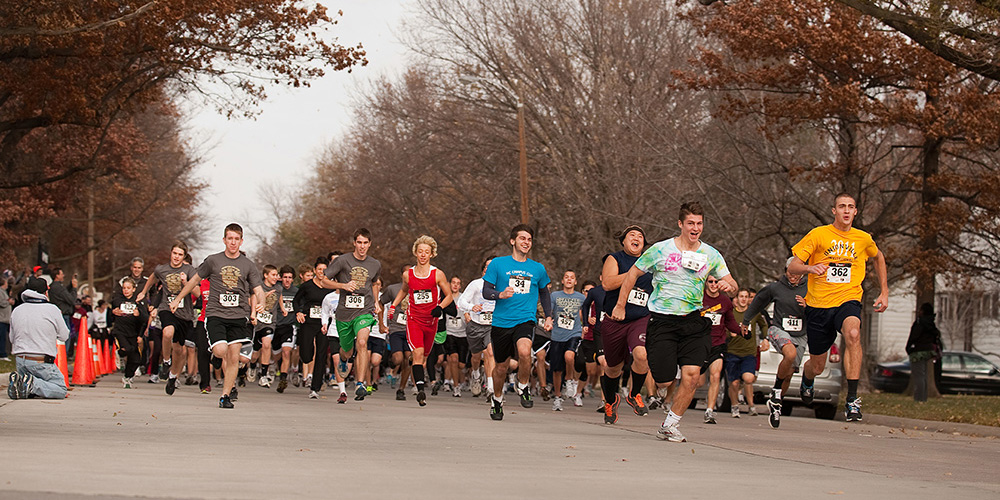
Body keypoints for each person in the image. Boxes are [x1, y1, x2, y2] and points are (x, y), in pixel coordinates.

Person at [612, 203, 737, 442]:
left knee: (691, 376)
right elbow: (633, 274)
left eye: (699, 223)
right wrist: (620, 305)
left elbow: (733, 283)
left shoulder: (710, 254)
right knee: (665, 379)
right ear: (680, 224)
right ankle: (657, 387)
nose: (695, 228)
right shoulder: (660, 250)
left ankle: (670, 424)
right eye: (691, 223)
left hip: (693, 321)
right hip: (662, 322)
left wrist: (728, 285)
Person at [788, 193, 888, 422]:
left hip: (848, 299)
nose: (846, 210)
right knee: (818, 365)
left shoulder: (863, 238)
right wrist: (810, 269)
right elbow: (794, 265)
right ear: (834, 211)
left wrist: (884, 291)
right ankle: (808, 377)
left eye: (850, 207)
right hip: (819, 305)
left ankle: (852, 400)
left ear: (855, 212)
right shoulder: (819, 234)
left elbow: (878, 256)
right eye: (841, 206)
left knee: (853, 334)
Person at [169, 223, 265, 409]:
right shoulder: (213, 261)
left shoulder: (248, 265)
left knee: (234, 356)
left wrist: (260, 302)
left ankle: (225, 396)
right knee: (221, 351)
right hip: (215, 314)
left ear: (241, 241)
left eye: (236, 239)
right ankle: (217, 357)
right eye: (230, 238)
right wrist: (178, 298)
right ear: (224, 240)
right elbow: (194, 281)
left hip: (238, 315)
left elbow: (258, 289)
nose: (233, 242)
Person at [481, 224, 553, 421]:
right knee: (501, 367)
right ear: (513, 241)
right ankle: (497, 399)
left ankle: (523, 385)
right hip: (501, 322)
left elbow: (545, 294)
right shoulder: (498, 264)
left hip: (525, 319)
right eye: (522, 238)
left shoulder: (537, 268)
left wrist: (548, 316)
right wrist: (500, 294)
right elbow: (486, 291)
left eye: (529, 239)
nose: (526, 242)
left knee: (524, 352)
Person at [389, 235, 454, 406]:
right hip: (414, 319)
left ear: (432, 254)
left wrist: (440, 307)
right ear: (415, 253)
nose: (423, 255)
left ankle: (418, 379)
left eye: (427, 252)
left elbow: (449, 296)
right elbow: (404, 291)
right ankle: (420, 390)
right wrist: (393, 305)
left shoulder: (437, 274)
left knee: (423, 357)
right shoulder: (408, 275)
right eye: (420, 252)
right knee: (417, 354)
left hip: (431, 322)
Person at [741, 257, 806, 428]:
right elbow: (758, 302)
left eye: (797, 273)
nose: (793, 276)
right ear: (785, 270)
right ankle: (776, 390)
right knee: (790, 353)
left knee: (790, 372)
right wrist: (746, 321)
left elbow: (822, 308)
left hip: (800, 333)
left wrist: (809, 305)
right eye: (790, 272)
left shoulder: (810, 288)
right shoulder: (775, 288)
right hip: (779, 329)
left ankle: (776, 403)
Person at [319, 228, 382, 401]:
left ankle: (360, 384)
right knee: (346, 351)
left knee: (362, 343)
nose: (362, 246)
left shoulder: (375, 264)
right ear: (354, 243)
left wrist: (376, 302)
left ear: (370, 244)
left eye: (365, 243)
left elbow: (375, 283)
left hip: (365, 311)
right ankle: (344, 360)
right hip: (344, 314)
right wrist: (343, 286)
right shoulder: (342, 261)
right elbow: (323, 281)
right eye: (359, 242)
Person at [600, 225, 654, 423]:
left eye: (640, 236)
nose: (636, 238)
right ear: (623, 240)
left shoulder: (651, 263)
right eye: (632, 235)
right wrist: (634, 272)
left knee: (641, 354)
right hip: (614, 320)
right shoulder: (615, 259)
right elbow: (607, 283)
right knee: (613, 367)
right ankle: (611, 399)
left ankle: (634, 394)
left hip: (640, 318)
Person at [137, 241, 197, 396]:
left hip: (184, 313)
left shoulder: (189, 270)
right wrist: (144, 292)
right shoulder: (162, 269)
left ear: (184, 257)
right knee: (167, 333)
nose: (176, 257)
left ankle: (172, 376)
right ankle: (165, 361)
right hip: (167, 308)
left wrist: (186, 283)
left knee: (179, 350)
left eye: (180, 254)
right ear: (171, 253)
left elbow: (197, 292)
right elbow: (152, 278)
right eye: (174, 253)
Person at [7, 277, 69, 399]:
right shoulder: (52, 309)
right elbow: (64, 336)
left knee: (28, 390)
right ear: (46, 292)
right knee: (61, 389)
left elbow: (11, 338)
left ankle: (21, 382)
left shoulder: (17, 310)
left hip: (20, 360)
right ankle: (32, 384)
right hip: (41, 361)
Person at [698, 275, 742, 424]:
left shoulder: (725, 302)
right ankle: (672, 402)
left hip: (718, 343)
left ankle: (710, 410)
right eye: (710, 281)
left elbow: (730, 321)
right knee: (695, 381)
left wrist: (742, 331)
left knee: (716, 375)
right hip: (699, 343)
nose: (714, 284)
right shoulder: (698, 298)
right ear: (706, 283)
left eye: (717, 282)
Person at [456, 257, 496, 398]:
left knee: (490, 353)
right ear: (484, 269)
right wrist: (471, 307)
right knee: (476, 357)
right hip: (476, 324)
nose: (490, 269)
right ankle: (476, 374)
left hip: (492, 325)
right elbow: (462, 301)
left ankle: (491, 388)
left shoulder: (501, 285)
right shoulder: (476, 284)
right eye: (487, 266)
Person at [727, 288, 768, 418]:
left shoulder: (754, 313)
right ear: (736, 299)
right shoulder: (731, 313)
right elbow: (723, 327)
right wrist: (730, 333)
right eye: (741, 296)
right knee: (734, 383)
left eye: (746, 296)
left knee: (748, 378)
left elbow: (764, 325)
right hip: (732, 352)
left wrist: (765, 338)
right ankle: (734, 406)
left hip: (749, 352)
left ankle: (751, 406)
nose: (744, 299)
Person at [294, 258, 331, 399]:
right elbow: (296, 300)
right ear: (315, 270)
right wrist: (298, 312)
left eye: (324, 269)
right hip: (308, 322)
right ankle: (305, 361)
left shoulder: (331, 286)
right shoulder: (307, 286)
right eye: (319, 269)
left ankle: (315, 387)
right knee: (306, 354)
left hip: (324, 324)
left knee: (321, 354)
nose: (322, 272)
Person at [548, 270, 585, 411]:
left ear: (575, 282)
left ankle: (569, 380)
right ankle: (557, 397)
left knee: (569, 356)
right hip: (557, 335)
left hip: (574, 333)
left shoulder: (581, 297)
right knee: (557, 370)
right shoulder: (555, 296)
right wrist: (549, 321)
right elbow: (549, 312)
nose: (569, 280)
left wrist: (586, 325)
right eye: (566, 277)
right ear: (562, 281)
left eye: (572, 278)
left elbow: (583, 315)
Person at [249, 264, 284, 388]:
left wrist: (283, 308)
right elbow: (250, 300)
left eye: (277, 275)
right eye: (273, 275)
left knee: (267, 344)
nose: (276, 277)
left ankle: (264, 375)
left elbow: (279, 297)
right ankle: (252, 366)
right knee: (254, 354)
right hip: (257, 322)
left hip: (270, 322)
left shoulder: (278, 288)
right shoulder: (258, 287)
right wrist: (263, 297)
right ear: (265, 275)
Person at [380, 267, 412, 401]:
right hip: (396, 328)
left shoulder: (418, 291)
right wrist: (382, 324)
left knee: (409, 359)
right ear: (402, 275)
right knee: (398, 359)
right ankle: (391, 361)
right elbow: (381, 303)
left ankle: (401, 389)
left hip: (412, 330)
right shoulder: (393, 289)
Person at [112, 278, 150, 387]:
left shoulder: (138, 301)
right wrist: (114, 312)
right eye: (124, 288)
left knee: (136, 359)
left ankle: (127, 377)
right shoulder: (117, 300)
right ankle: (119, 353)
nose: (126, 290)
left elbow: (145, 319)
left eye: (128, 288)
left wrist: (139, 315)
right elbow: (111, 313)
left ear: (134, 289)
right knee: (127, 349)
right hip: (120, 331)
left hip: (133, 332)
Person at [906, 302, 941, 403]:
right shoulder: (931, 323)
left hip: (918, 351)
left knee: (919, 376)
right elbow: (936, 335)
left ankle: (919, 398)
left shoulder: (919, 323)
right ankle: (923, 397)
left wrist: (909, 347)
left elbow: (914, 336)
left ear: (923, 311)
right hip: (928, 351)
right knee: (924, 375)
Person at [273, 265, 298, 392]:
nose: (287, 280)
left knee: (286, 351)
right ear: (280, 278)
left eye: (289, 278)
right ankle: (273, 366)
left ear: (293, 279)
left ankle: (283, 379)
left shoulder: (297, 292)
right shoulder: (276, 290)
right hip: (275, 325)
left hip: (289, 326)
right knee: (275, 354)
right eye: (285, 277)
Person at [443, 276, 467, 397]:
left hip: (462, 333)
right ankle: (455, 386)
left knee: (461, 364)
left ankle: (454, 379)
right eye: (453, 283)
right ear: (449, 284)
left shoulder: (464, 298)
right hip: (449, 332)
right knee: (453, 358)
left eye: (458, 283)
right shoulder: (446, 297)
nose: (455, 285)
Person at [0, 278, 12, 361]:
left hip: (6, 318)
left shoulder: (4, 291)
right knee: (2, 337)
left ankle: (6, 352)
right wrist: (9, 302)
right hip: (2, 318)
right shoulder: (0, 292)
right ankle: (2, 354)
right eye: (6, 283)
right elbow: (1, 303)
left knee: (7, 336)